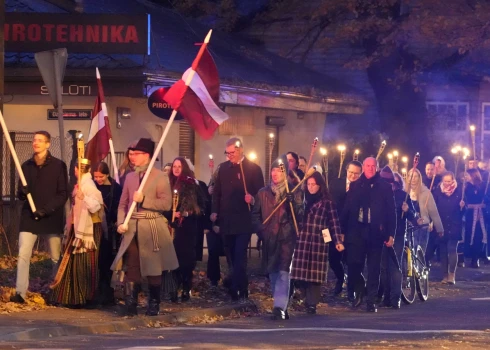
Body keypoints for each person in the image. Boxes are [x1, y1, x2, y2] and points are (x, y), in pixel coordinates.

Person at [111, 138, 179, 316]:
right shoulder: (130, 177)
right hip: (132, 226)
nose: (132, 157)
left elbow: (166, 204)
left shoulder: (160, 176)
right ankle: (131, 304)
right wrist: (120, 223)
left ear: (147, 155)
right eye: (131, 154)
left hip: (151, 227)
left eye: (136, 154)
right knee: (132, 264)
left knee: (153, 266)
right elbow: (122, 204)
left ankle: (154, 303)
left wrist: (145, 200)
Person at [10, 131, 68, 304]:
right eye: (34, 140)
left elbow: (63, 193)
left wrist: (46, 210)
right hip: (29, 216)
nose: (36, 143)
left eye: (40, 141)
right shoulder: (26, 166)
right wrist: (22, 192)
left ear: (48, 144)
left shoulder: (59, 166)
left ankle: (56, 291)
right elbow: (20, 193)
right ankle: (20, 292)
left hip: (51, 217)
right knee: (23, 255)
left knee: (55, 257)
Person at [211, 137, 264, 302]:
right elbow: (217, 193)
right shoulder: (223, 169)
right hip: (226, 220)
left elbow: (261, 194)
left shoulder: (253, 169)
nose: (230, 155)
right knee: (231, 257)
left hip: (243, 221)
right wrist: (214, 212)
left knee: (240, 256)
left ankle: (238, 289)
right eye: (227, 153)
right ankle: (240, 284)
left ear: (240, 150)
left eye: (232, 152)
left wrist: (253, 199)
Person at [341, 157, 396, 313]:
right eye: (368, 166)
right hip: (357, 230)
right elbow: (347, 209)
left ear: (377, 168)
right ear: (363, 167)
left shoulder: (384, 187)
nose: (370, 168)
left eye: (373, 166)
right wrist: (342, 230)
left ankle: (371, 300)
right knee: (353, 263)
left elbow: (391, 212)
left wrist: (391, 233)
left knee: (374, 268)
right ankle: (359, 289)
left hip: (376, 232)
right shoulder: (355, 186)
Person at [252, 155, 303, 320]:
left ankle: (279, 307)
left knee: (283, 271)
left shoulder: (294, 191)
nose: (275, 174)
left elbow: (300, 215)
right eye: (273, 170)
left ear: (284, 173)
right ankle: (281, 303)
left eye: (278, 171)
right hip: (269, 237)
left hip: (287, 237)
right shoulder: (262, 193)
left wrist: (292, 203)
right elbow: (255, 215)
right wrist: (261, 230)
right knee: (273, 271)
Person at [50, 158, 104, 307]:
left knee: (84, 263)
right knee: (73, 261)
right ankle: (71, 297)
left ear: (76, 170)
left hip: (89, 230)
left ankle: (84, 297)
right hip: (78, 226)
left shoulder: (89, 186)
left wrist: (84, 197)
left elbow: (95, 206)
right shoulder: (81, 184)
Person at [291, 171, 344, 314]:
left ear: (320, 186)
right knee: (301, 272)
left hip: (318, 241)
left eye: (313, 184)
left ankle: (312, 303)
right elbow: (296, 215)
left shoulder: (327, 203)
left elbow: (334, 222)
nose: (310, 187)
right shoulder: (303, 200)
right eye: (308, 184)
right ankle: (303, 297)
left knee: (315, 274)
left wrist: (336, 240)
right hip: (303, 239)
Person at [166, 157, 206, 302]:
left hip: (186, 227)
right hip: (170, 225)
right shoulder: (167, 183)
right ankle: (172, 288)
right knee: (171, 258)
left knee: (185, 260)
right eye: (174, 166)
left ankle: (185, 286)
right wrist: (170, 213)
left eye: (179, 166)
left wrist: (186, 213)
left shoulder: (191, 184)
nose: (176, 169)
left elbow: (201, 207)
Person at [379, 167, 415, 309]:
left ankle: (396, 297)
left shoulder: (402, 195)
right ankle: (386, 296)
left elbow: (413, 216)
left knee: (395, 265)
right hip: (381, 233)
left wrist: (408, 210)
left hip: (398, 233)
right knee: (383, 267)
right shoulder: (380, 194)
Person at [328, 160, 362, 298]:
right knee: (333, 259)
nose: (353, 176)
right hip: (334, 226)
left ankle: (352, 289)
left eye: (356, 173)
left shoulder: (362, 187)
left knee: (351, 260)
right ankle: (340, 278)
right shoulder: (335, 184)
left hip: (352, 229)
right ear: (346, 171)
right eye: (351, 172)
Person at [93, 162, 123, 305]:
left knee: (107, 262)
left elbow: (119, 206)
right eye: (96, 176)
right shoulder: (93, 186)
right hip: (95, 228)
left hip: (110, 229)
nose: (98, 179)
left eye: (101, 176)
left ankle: (107, 293)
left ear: (107, 175)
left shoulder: (115, 188)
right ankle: (98, 291)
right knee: (97, 261)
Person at [433, 171, 464, 284]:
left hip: (454, 223)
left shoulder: (459, 191)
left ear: (453, 180)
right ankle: (444, 275)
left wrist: (462, 206)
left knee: (451, 249)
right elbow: (434, 207)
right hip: (442, 223)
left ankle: (452, 274)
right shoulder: (438, 191)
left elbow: (463, 210)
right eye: (445, 181)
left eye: (449, 181)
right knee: (442, 250)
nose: (447, 183)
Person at [406, 168, 444, 254]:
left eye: (416, 176)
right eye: (411, 176)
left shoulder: (426, 192)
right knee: (409, 252)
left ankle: (420, 266)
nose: (413, 179)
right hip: (408, 225)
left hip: (422, 225)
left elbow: (433, 212)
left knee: (420, 252)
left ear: (419, 178)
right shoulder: (404, 191)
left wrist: (439, 228)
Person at [463, 168, 488, 268]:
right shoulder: (466, 186)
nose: (465, 177)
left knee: (479, 236)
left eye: (467, 175)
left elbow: (486, 198)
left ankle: (475, 258)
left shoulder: (484, 185)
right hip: (469, 213)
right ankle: (466, 257)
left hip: (481, 213)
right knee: (468, 234)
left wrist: (484, 201)